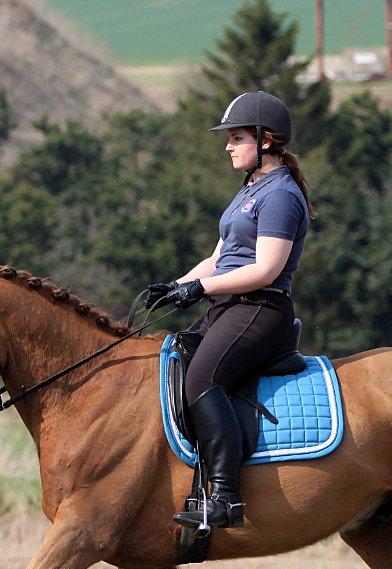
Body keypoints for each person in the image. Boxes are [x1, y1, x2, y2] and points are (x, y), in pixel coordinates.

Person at [146, 91, 315, 531]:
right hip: (230, 305)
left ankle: (225, 498)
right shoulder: (250, 189)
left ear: (266, 140)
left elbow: (265, 269)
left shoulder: (281, 194)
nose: (227, 146)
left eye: (236, 137)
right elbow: (219, 258)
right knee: (175, 361)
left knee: (203, 379)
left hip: (261, 308)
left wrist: (200, 287)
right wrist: (177, 285)